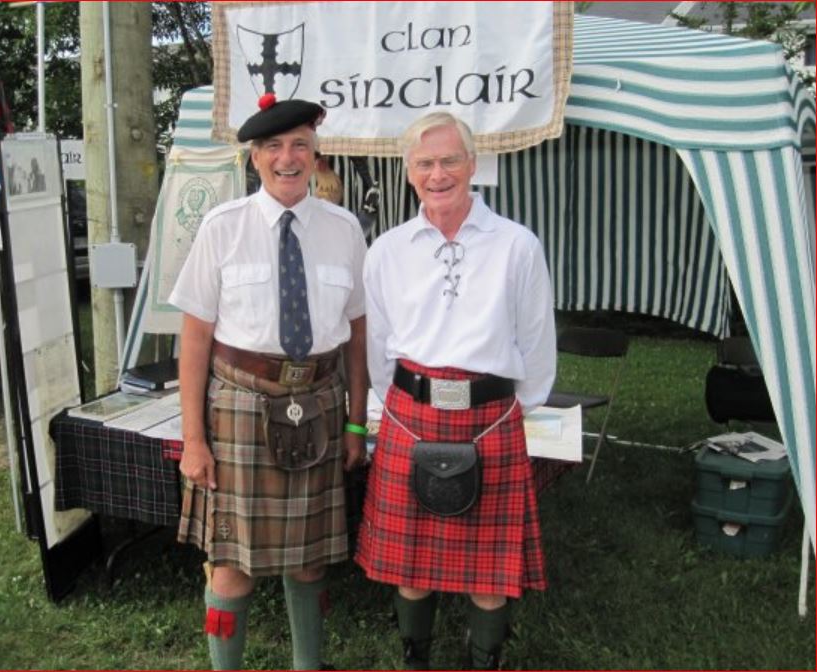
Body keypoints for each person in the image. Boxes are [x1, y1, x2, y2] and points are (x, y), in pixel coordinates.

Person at [169, 94, 369, 671]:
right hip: (239, 408)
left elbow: (358, 336)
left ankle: (309, 665)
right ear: (254, 158)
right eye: (274, 147)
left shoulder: (345, 230)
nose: (288, 158)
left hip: (322, 402)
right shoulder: (222, 228)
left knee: (310, 561)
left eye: (300, 145)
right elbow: (195, 341)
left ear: (315, 154)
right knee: (231, 563)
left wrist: (357, 422)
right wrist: (193, 439)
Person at [354, 112, 556, 670]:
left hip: (490, 417)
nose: (437, 174)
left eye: (449, 160)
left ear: (472, 164)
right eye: (425, 163)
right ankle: (414, 658)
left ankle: (483, 660)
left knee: (489, 576)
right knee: (410, 568)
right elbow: (378, 346)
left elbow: (537, 342)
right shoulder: (387, 250)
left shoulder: (516, 245)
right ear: (409, 173)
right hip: (410, 415)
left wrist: (511, 409)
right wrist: (402, 404)